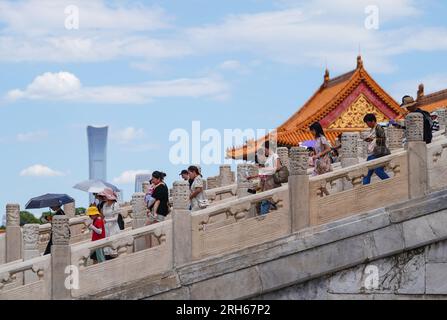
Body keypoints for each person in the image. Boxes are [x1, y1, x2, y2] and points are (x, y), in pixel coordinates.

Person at [248, 141, 281, 215]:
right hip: (265, 181)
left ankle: (263, 217)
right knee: (263, 199)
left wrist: (267, 169)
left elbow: (278, 167)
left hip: (271, 181)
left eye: (264, 149)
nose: (263, 151)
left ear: (267, 148)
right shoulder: (268, 158)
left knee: (265, 201)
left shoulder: (275, 156)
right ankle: (265, 214)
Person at [362, 113, 391, 185]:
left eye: (367, 123)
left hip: (378, 153)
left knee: (377, 170)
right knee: (368, 172)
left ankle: (389, 183)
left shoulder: (379, 128)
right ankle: (365, 188)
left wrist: (372, 139)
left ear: (373, 121)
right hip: (373, 153)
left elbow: (383, 139)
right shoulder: (372, 129)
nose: (367, 125)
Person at [98, 188, 121, 260]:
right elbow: (103, 216)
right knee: (106, 248)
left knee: (113, 247)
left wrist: (106, 220)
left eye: (105, 196)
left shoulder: (115, 205)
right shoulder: (104, 205)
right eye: (103, 196)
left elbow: (116, 218)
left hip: (113, 227)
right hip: (106, 227)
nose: (104, 197)